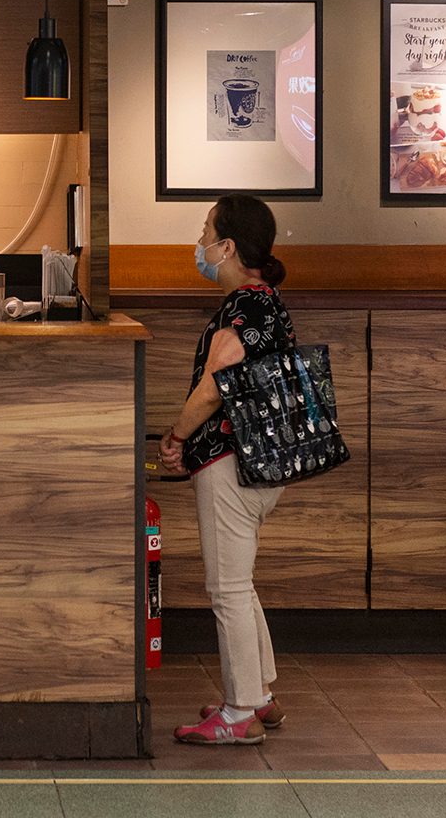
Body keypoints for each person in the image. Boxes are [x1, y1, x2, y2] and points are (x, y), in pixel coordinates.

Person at [159, 194, 294, 747]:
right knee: (240, 583)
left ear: (228, 246)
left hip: (229, 463)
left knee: (227, 589)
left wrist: (176, 436)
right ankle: (259, 697)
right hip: (262, 465)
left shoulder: (242, 309)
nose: (200, 243)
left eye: (206, 232)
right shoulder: (267, 302)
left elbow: (215, 388)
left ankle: (238, 715)